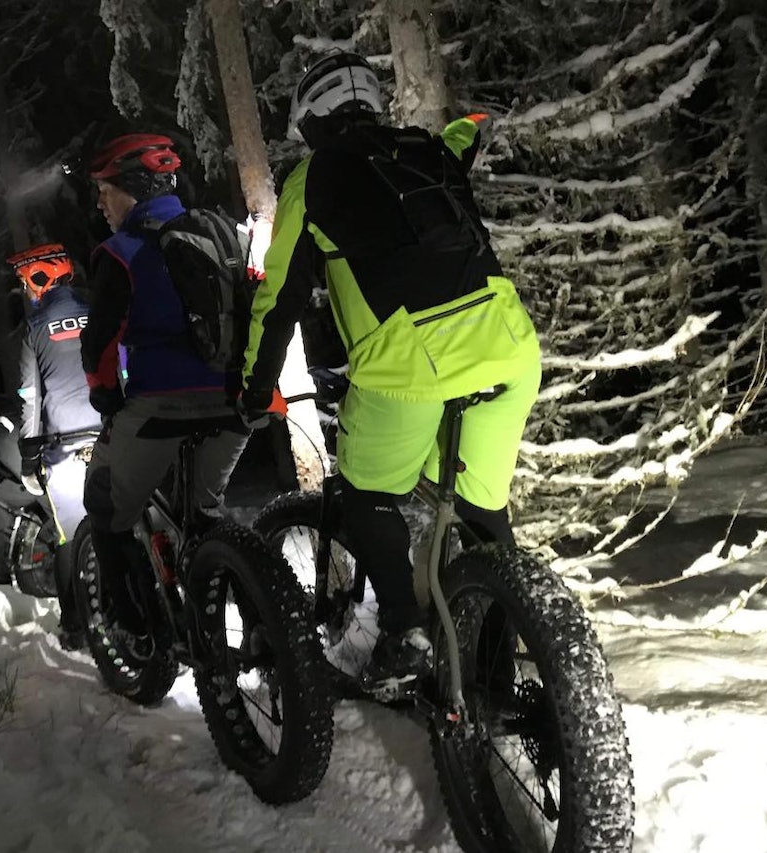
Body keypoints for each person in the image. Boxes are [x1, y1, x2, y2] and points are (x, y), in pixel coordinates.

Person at [239, 53, 543, 691]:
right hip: (509, 347)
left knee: (367, 496)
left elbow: (280, 296)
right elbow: (456, 147)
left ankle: (405, 632)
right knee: (480, 509)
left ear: (313, 122)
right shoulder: (424, 152)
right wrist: (467, 128)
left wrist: (254, 385)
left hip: (409, 363)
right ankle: (496, 673)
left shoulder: (313, 177)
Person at [79, 133, 251, 639]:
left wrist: (106, 397)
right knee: (204, 516)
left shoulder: (120, 252)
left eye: (105, 191)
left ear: (133, 190)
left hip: (159, 407)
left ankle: (139, 633)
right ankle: (261, 622)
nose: (101, 204)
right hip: (237, 405)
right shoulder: (224, 234)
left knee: (105, 507)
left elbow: (100, 346)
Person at [7, 243, 100, 649]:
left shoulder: (35, 327)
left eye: (25, 282)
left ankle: (76, 626)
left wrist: (29, 454)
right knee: (126, 524)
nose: (25, 290)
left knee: (70, 537)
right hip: (112, 434)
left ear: (41, 277)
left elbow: (30, 396)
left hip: (64, 447)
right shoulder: (98, 308)